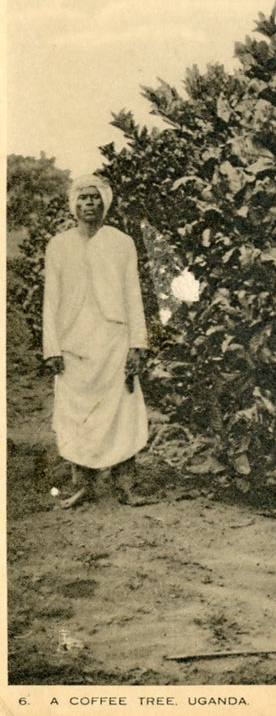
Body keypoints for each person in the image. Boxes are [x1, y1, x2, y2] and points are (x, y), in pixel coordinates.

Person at [43, 174, 150, 508]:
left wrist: (137, 344)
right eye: (83, 198)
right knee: (76, 412)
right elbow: (51, 300)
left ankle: (126, 485)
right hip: (73, 341)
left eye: (95, 198)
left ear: (106, 202)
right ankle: (82, 484)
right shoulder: (59, 245)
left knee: (121, 408)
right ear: (74, 204)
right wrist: (52, 348)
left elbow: (133, 295)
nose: (89, 204)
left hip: (112, 339)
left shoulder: (121, 242)